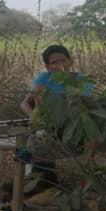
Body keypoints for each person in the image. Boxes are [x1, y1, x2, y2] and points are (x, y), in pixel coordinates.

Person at [19, 44, 92, 189]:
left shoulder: (81, 80)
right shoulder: (44, 79)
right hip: (45, 125)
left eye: (63, 60)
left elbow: (82, 104)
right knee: (39, 136)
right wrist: (33, 115)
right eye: (54, 63)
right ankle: (39, 177)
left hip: (72, 126)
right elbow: (25, 103)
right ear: (48, 67)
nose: (60, 65)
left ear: (70, 61)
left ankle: (40, 175)